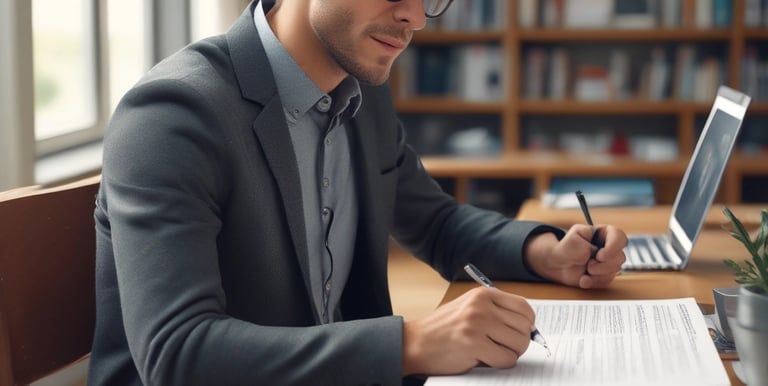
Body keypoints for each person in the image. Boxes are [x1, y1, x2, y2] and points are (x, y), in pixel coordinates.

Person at [88, 0, 628, 385]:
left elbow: (436, 223)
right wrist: (412, 345)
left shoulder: (360, 97)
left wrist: (549, 253)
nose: (415, 17)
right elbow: (178, 354)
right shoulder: (174, 115)